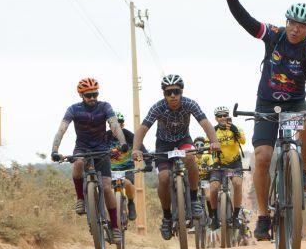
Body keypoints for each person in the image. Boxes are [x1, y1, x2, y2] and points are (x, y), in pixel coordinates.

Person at [218, 0, 306, 240]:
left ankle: (303, 170)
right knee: (262, 157)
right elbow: (246, 22)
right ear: (286, 22)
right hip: (267, 102)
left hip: (295, 101)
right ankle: (262, 216)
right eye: (293, 23)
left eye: (302, 26)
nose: (296, 29)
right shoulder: (273, 35)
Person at [131, 74, 221, 240]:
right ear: (164, 94)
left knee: (190, 158)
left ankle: (193, 200)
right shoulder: (157, 107)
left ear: (181, 92)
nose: (173, 96)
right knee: (164, 178)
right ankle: (166, 217)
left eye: (176, 92)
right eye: (168, 92)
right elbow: (143, 128)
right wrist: (136, 149)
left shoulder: (189, 104)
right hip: (163, 145)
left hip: (183, 141)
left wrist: (214, 141)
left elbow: (205, 123)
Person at [51, 77, 128, 241]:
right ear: (81, 95)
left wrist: (122, 143)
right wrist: (55, 150)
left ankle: (114, 226)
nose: (92, 98)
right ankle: (80, 198)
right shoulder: (73, 109)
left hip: (101, 149)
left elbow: (114, 125)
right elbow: (62, 129)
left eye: (95, 94)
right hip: (82, 148)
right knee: (78, 162)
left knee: (107, 187)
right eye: (88, 95)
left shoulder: (105, 106)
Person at [105, 111, 149, 221]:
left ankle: (130, 203)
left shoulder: (129, 136)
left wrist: (148, 164)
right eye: (113, 125)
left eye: (119, 124)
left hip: (127, 169)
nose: (117, 127)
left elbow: (141, 149)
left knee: (128, 183)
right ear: (109, 126)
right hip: (110, 169)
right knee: (104, 188)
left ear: (123, 125)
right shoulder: (105, 137)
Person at [208, 107, 246, 230]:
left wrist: (235, 131)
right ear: (216, 118)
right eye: (220, 116)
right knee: (213, 188)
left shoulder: (235, 128)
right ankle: (214, 217)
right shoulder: (213, 131)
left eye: (225, 115)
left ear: (228, 116)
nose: (223, 118)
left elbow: (243, 141)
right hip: (218, 164)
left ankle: (235, 217)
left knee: (237, 183)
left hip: (234, 163)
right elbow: (205, 146)